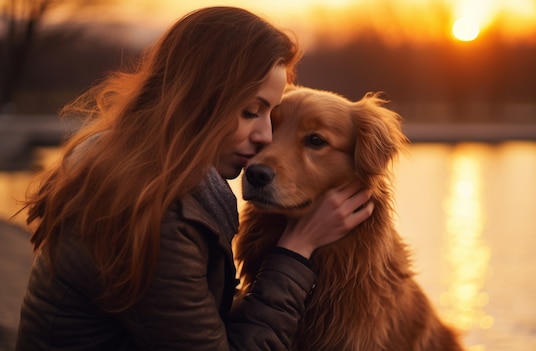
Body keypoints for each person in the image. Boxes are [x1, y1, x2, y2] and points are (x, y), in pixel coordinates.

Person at [15, 7, 373, 350]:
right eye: (251, 112)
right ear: (198, 101)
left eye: (270, 114)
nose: (265, 136)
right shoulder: (151, 214)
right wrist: (296, 250)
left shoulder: (136, 169)